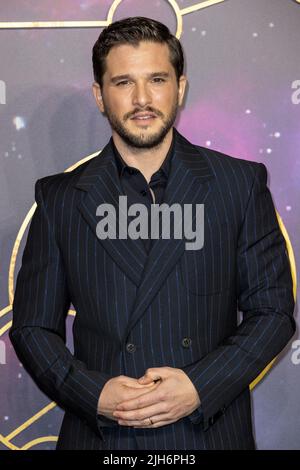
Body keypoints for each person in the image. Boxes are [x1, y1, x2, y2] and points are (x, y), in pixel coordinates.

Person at [10, 16, 295, 451]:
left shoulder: (238, 184)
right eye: (123, 82)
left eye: (157, 79)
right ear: (100, 96)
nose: (142, 99)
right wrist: (95, 394)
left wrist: (199, 386)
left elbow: (272, 312)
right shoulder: (60, 199)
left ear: (179, 88)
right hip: (103, 438)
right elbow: (32, 327)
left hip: (209, 434)